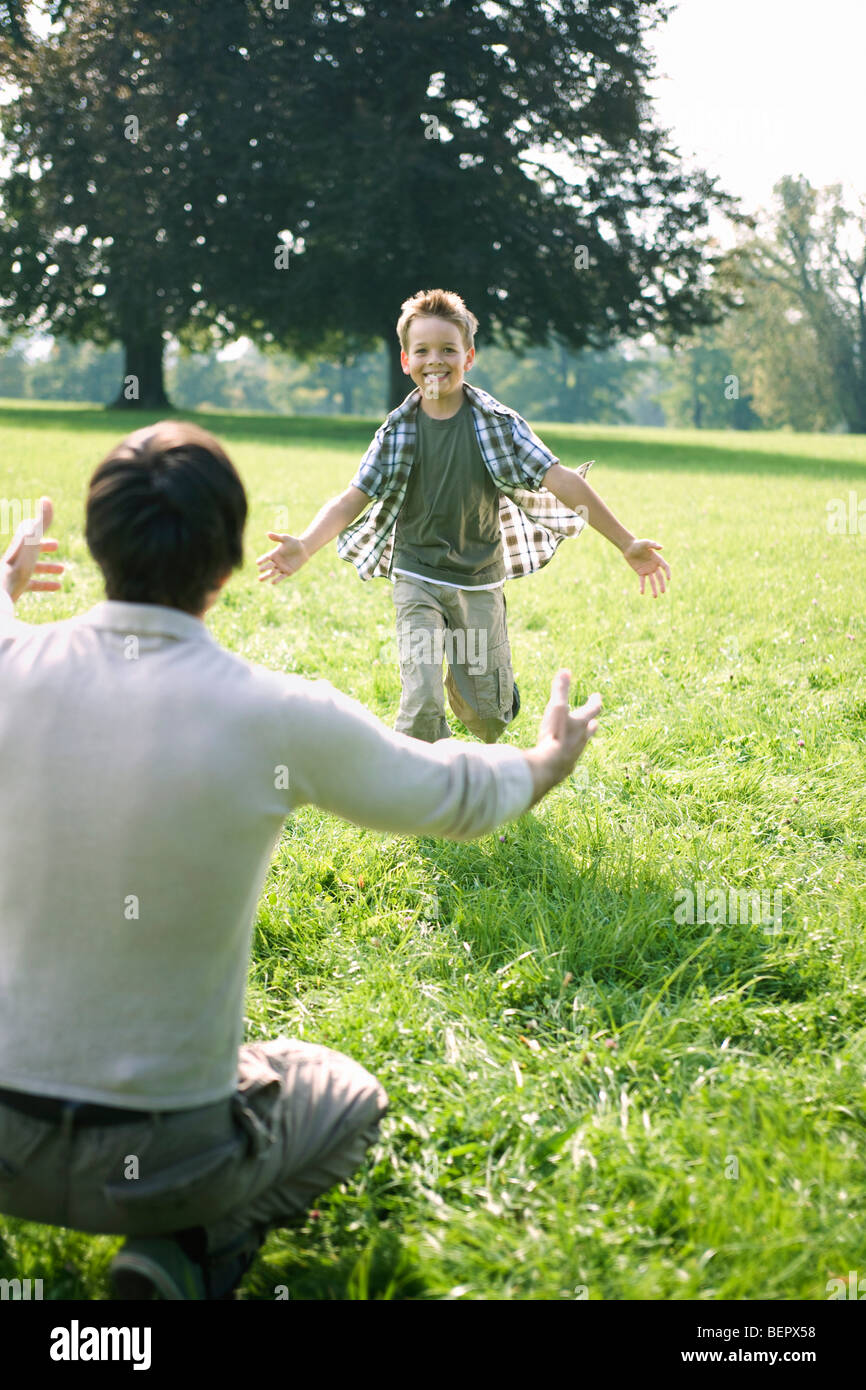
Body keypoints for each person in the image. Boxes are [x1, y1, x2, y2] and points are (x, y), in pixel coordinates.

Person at [0, 420, 601, 1301]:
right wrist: (544, 764)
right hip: (167, 1159)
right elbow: (451, 796)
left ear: (96, 545)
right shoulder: (276, 715)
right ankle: (179, 1251)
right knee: (344, 1095)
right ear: (229, 562)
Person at [258, 287, 670, 744]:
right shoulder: (396, 431)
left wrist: (627, 542)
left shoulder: (498, 424)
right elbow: (352, 498)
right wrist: (305, 545)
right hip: (416, 575)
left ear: (468, 357)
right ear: (405, 361)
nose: (436, 360)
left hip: (478, 578)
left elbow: (562, 480)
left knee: (488, 719)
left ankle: (477, 685)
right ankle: (425, 795)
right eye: (423, 351)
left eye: (448, 350)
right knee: (420, 702)